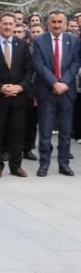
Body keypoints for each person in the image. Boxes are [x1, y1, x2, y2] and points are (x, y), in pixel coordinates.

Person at [0, 12, 33, 178]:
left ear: (15, 26)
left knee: (17, 134)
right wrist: (1, 87)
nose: (8, 27)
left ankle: (16, 166)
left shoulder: (22, 45)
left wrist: (20, 87)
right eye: (4, 23)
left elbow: (29, 70)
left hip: (19, 97)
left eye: (11, 24)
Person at [32, 10, 80, 176]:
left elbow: (76, 63)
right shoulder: (39, 40)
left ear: (66, 24)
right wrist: (53, 82)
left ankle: (64, 164)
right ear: (48, 24)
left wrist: (63, 83)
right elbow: (38, 65)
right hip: (47, 91)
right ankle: (44, 164)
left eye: (60, 22)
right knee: (45, 132)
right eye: (54, 22)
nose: (57, 25)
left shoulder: (73, 40)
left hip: (66, 92)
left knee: (65, 132)